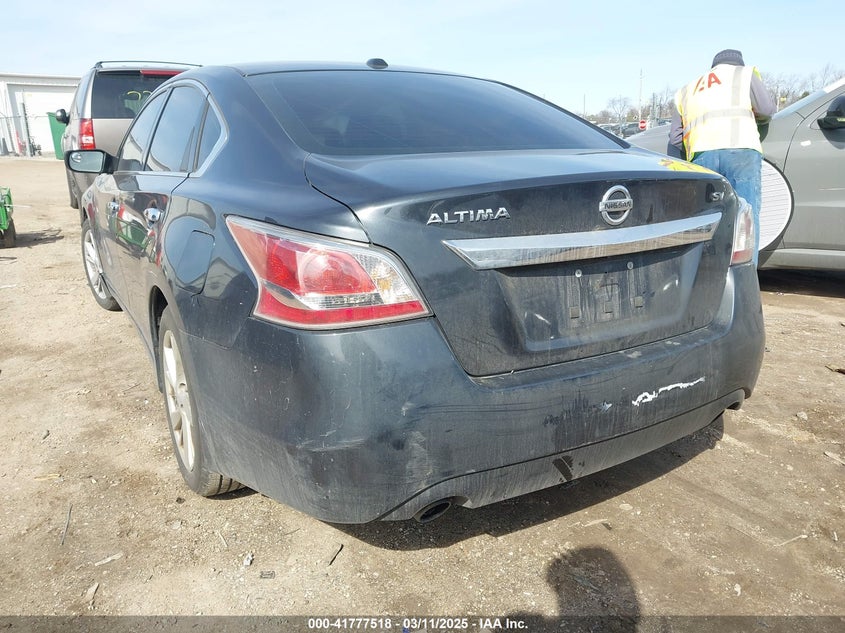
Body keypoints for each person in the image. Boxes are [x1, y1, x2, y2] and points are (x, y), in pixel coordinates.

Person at [670, 49, 776, 265]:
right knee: (744, 218)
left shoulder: (688, 89)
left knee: (707, 222)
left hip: (700, 157)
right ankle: (743, 278)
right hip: (740, 151)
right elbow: (766, 109)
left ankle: (707, 277)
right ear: (738, 63)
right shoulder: (744, 74)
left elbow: (675, 138)